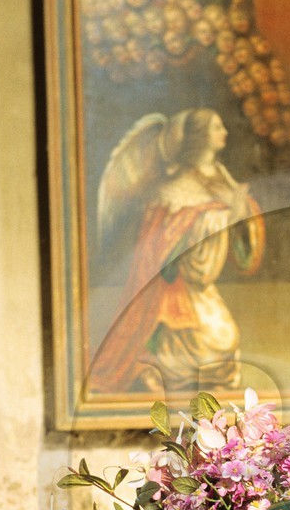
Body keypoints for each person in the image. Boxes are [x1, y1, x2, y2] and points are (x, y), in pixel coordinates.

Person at [90, 110, 260, 393]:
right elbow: (176, 244)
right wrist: (228, 214)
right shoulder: (177, 186)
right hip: (176, 287)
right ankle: (155, 370)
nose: (225, 132)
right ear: (201, 137)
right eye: (218, 127)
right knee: (218, 340)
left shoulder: (218, 174)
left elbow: (229, 214)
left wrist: (238, 212)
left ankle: (186, 376)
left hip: (199, 288)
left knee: (225, 340)